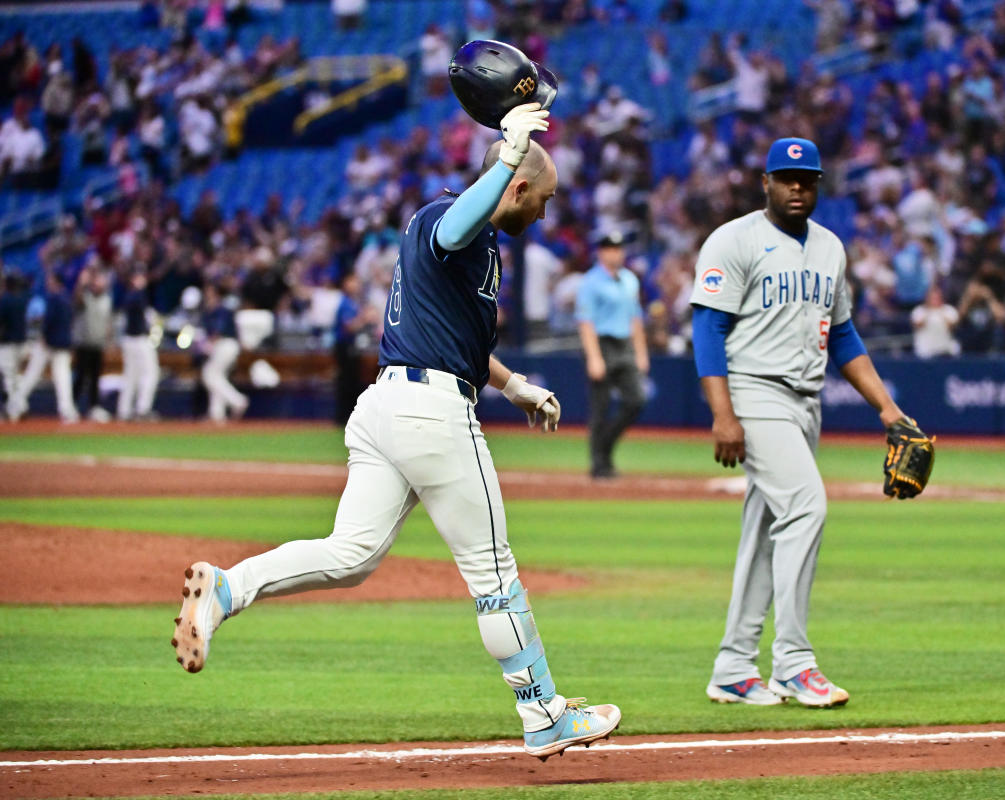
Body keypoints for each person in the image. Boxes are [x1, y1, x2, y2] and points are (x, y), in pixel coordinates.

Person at [171, 103, 621, 759]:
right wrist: (509, 151)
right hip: (431, 416)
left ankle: (228, 588)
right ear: (515, 186)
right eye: (542, 199)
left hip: (386, 407)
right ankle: (543, 711)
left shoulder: (476, 241)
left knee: (352, 553)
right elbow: (461, 221)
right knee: (494, 574)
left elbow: (455, 341)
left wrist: (515, 386)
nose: (545, 214)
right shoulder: (450, 218)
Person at [690, 138, 920, 707]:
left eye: (808, 179)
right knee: (807, 506)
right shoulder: (734, 239)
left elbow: (842, 334)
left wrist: (887, 409)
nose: (798, 188)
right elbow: (707, 330)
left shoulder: (830, 248)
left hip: (805, 401)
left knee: (766, 533)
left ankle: (734, 666)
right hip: (753, 391)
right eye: (787, 178)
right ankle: (793, 662)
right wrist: (723, 414)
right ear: (764, 182)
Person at [575, 230, 649, 479]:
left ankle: (604, 446)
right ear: (601, 252)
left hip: (624, 343)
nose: (616, 253)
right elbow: (586, 322)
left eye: (619, 248)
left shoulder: (630, 279)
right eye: (611, 248)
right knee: (601, 407)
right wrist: (594, 357)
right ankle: (599, 464)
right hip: (602, 344)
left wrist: (641, 352)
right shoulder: (591, 282)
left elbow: (636, 317)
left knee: (636, 400)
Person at [14, 271, 79, 423]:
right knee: (62, 378)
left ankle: (15, 405)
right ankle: (67, 411)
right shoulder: (67, 298)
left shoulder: (54, 297)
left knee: (33, 374)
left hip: (49, 343)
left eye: (51, 279)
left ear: (56, 281)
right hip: (62, 343)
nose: (48, 282)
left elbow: (49, 320)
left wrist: (44, 336)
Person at [332, 271, 378, 426]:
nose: (356, 285)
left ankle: (349, 415)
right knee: (346, 382)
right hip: (344, 347)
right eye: (353, 281)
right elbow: (349, 327)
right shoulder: (346, 303)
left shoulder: (353, 302)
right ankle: (342, 417)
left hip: (351, 346)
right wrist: (365, 318)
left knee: (352, 381)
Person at [200, 283, 249, 422]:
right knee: (217, 376)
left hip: (227, 344)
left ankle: (238, 401)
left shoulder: (222, 310)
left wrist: (208, 344)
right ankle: (216, 413)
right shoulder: (207, 311)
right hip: (219, 346)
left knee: (209, 374)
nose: (208, 294)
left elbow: (218, 332)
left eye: (211, 292)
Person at [116, 270, 160, 421]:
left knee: (130, 376)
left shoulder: (129, 295)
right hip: (139, 340)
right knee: (151, 373)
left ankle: (124, 410)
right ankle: (143, 409)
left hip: (129, 340)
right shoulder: (137, 295)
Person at [73, 263, 113, 421]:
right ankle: (73, 405)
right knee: (81, 377)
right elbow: (77, 299)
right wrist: (81, 284)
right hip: (83, 344)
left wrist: (109, 340)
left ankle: (94, 407)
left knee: (96, 377)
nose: (98, 285)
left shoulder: (106, 299)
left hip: (98, 344)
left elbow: (108, 322)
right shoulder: (86, 297)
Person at [0, 272, 31, 420]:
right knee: (17, 376)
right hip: (22, 343)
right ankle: (22, 406)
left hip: (7, 344)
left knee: (9, 377)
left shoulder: (5, 300)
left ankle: (13, 410)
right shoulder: (23, 299)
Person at [911, 283, 961, 358]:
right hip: (926, 351)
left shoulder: (949, 310)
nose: (935, 300)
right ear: (927, 298)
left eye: (937, 297)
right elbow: (917, 325)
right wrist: (928, 311)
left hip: (946, 350)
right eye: (932, 297)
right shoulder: (919, 311)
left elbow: (952, 327)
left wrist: (940, 312)